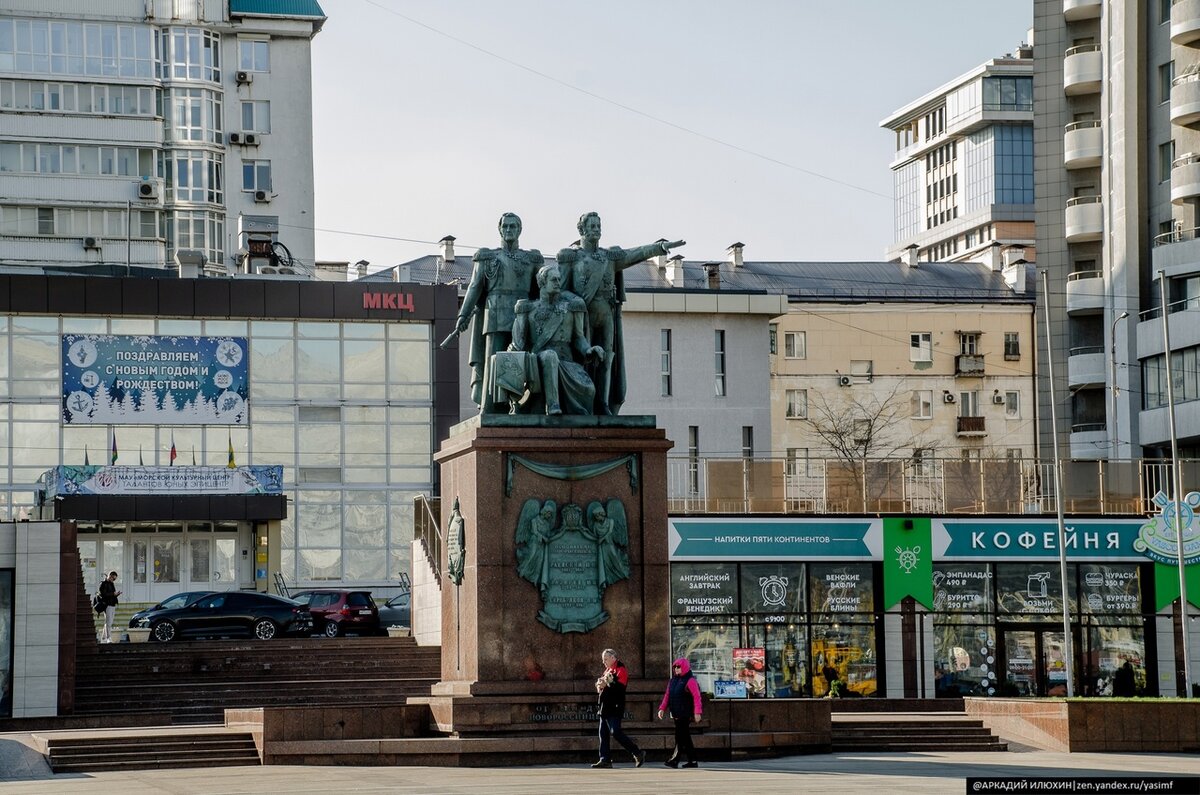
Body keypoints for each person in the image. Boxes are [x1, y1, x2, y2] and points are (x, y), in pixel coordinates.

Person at [557, 212, 683, 415]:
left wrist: (659, 247)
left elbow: (635, 254)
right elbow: (561, 290)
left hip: (605, 313)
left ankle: (603, 403)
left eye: (599, 225)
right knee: (584, 358)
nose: (597, 229)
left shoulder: (610, 257)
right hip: (582, 315)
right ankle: (583, 403)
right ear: (582, 230)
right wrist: (576, 301)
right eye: (592, 226)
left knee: (607, 358)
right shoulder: (571, 257)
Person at [452, 212, 542, 413]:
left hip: (524, 317)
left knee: (523, 362)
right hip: (495, 316)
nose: (509, 230)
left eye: (513, 226)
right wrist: (462, 316)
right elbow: (474, 288)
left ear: (520, 230)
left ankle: (523, 406)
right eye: (506, 226)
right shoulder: (487, 257)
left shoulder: (532, 259)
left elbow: (541, 290)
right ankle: (490, 406)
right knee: (492, 363)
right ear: (500, 229)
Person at [508, 264, 604, 415]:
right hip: (538, 361)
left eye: (559, 279)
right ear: (542, 282)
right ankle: (553, 406)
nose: (558, 283)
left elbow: (579, 338)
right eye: (554, 280)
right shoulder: (528, 309)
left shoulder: (571, 308)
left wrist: (588, 349)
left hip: (566, 363)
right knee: (549, 356)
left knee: (589, 389)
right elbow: (518, 343)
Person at [592, 648, 646, 769]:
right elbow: (602, 686)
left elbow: (620, 689)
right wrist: (599, 685)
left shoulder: (621, 669)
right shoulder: (608, 670)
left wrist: (607, 684)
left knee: (615, 732)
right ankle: (605, 759)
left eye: (605, 659)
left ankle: (637, 752)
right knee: (603, 733)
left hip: (615, 706)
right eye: (603, 659)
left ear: (613, 658)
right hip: (604, 707)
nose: (603, 662)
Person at [657, 657, 703, 768]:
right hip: (677, 713)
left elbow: (697, 697)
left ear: (685, 667)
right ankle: (692, 761)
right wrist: (662, 708)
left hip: (685, 713)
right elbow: (667, 696)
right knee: (685, 737)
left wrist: (697, 712)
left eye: (679, 667)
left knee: (680, 737)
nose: (676, 669)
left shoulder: (690, 681)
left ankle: (674, 760)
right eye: (675, 667)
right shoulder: (673, 681)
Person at [99, 570, 121, 643]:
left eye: (114, 579)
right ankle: (108, 638)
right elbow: (103, 594)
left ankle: (103, 638)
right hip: (107, 604)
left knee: (109, 622)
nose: (113, 580)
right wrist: (113, 594)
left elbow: (112, 593)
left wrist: (116, 594)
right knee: (109, 622)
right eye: (113, 578)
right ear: (110, 576)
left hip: (112, 604)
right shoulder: (103, 584)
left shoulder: (111, 584)